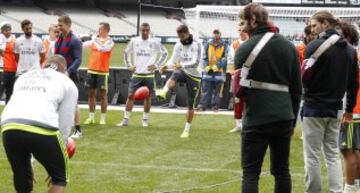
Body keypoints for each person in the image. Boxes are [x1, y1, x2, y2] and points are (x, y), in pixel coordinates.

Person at [235, 3, 302, 193]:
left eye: (244, 20)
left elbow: (238, 91)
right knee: (282, 171)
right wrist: (292, 118)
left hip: (256, 117)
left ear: (253, 20)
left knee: (250, 174)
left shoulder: (245, 48)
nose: (242, 24)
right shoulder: (289, 47)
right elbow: (297, 89)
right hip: (284, 117)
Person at [1, 55, 78, 193]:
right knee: (59, 178)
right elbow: (66, 121)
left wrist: (28, 164)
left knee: (22, 178)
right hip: (42, 126)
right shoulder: (66, 82)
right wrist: (58, 156)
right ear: (64, 70)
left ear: (44, 65)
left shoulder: (24, 76)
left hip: (9, 126)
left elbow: (22, 113)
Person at [302, 11, 359, 193]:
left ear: (325, 24)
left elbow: (304, 78)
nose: (312, 29)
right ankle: (336, 191)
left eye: (314, 25)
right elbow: (353, 83)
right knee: (332, 155)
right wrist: (349, 109)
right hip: (337, 109)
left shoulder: (313, 46)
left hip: (314, 107)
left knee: (312, 156)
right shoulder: (350, 51)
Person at [117, 22, 168, 127]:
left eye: (147, 30)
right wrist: (129, 66)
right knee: (130, 96)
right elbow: (126, 53)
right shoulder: (134, 40)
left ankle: (145, 120)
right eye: (143, 30)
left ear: (149, 31)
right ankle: (125, 120)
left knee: (148, 97)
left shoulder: (155, 42)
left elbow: (165, 53)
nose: (145, 32)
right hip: (137, 74)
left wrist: (157, 65)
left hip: (149, 75)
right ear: (140, 31)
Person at [156, 24, 203, 138]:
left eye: (182, 37)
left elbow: (195, 62)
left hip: (195, 75)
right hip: (183, 71)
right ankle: (164, 91)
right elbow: (173, 59)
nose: (181, 39)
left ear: (187, 33)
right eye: (179, 37)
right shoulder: (178, 44)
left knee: (190, 105)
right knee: (176, 73)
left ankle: (186, 129)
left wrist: (181, 64)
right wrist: (165, 66)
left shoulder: (197, 44)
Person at [336, 21, 360, 193]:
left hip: (353, 110)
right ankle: (356, 184)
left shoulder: (349, 55)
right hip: (356, 109)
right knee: (354, 150)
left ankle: (349, 188)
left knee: (348, 151)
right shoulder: (355, 55)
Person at [55, 15, 83, 139]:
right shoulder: (59, 40)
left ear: (68, 25)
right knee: (58, 101)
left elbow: (78, 59)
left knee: (74, 102)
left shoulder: (75, 40)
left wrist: (68, 71)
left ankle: (78, 130)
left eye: (61, 25)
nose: (59, 28)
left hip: (71, 75)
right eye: (58, 25)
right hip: (59, 74)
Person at [83, 22, 114, 125]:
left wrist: (94, 40)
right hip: (91, 70)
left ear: (106, 30)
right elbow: (82, 45)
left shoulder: (110, 41)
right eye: (99, 29)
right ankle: (91, 117)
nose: (99, 31)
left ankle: (102, 118)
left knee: (103, 95)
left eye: (100, 29)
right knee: (91, 94)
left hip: (102, 72)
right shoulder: (94, 41)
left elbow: (103, 48)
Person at [197, 29, 227, 111]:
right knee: (205, 89)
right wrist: (207, 67)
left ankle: (215, 106)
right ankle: (202, 106)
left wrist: (215, 67)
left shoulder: (225, 44)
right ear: (212, 34)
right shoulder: (208, 44)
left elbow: (225, 58)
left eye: (217, 34)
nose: (216, 35)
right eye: (215, 33)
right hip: (208, 70)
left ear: (220, 35)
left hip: (218, 71)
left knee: (216, 91)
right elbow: (204, 56)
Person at [227, 19, 249, 133]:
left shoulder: (251, 42)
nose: (241, 32)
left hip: (249, 74)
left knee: (247, 98)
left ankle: (247, 123)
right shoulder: (234, 44)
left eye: (243, 30)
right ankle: (238, 124)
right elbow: (230, 60)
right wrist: (232, 73)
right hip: (237, 74)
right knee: (236, 98)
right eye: (239, 30)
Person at [0, 22, 17, 103]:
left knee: (10, 93)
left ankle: (7, 113)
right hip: (3, 69)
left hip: (13, 69)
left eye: (9, 30)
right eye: (6, 30)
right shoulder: (1, 38)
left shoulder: (13, 39)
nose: (8, 32)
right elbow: (2, 51)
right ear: (2, 31)